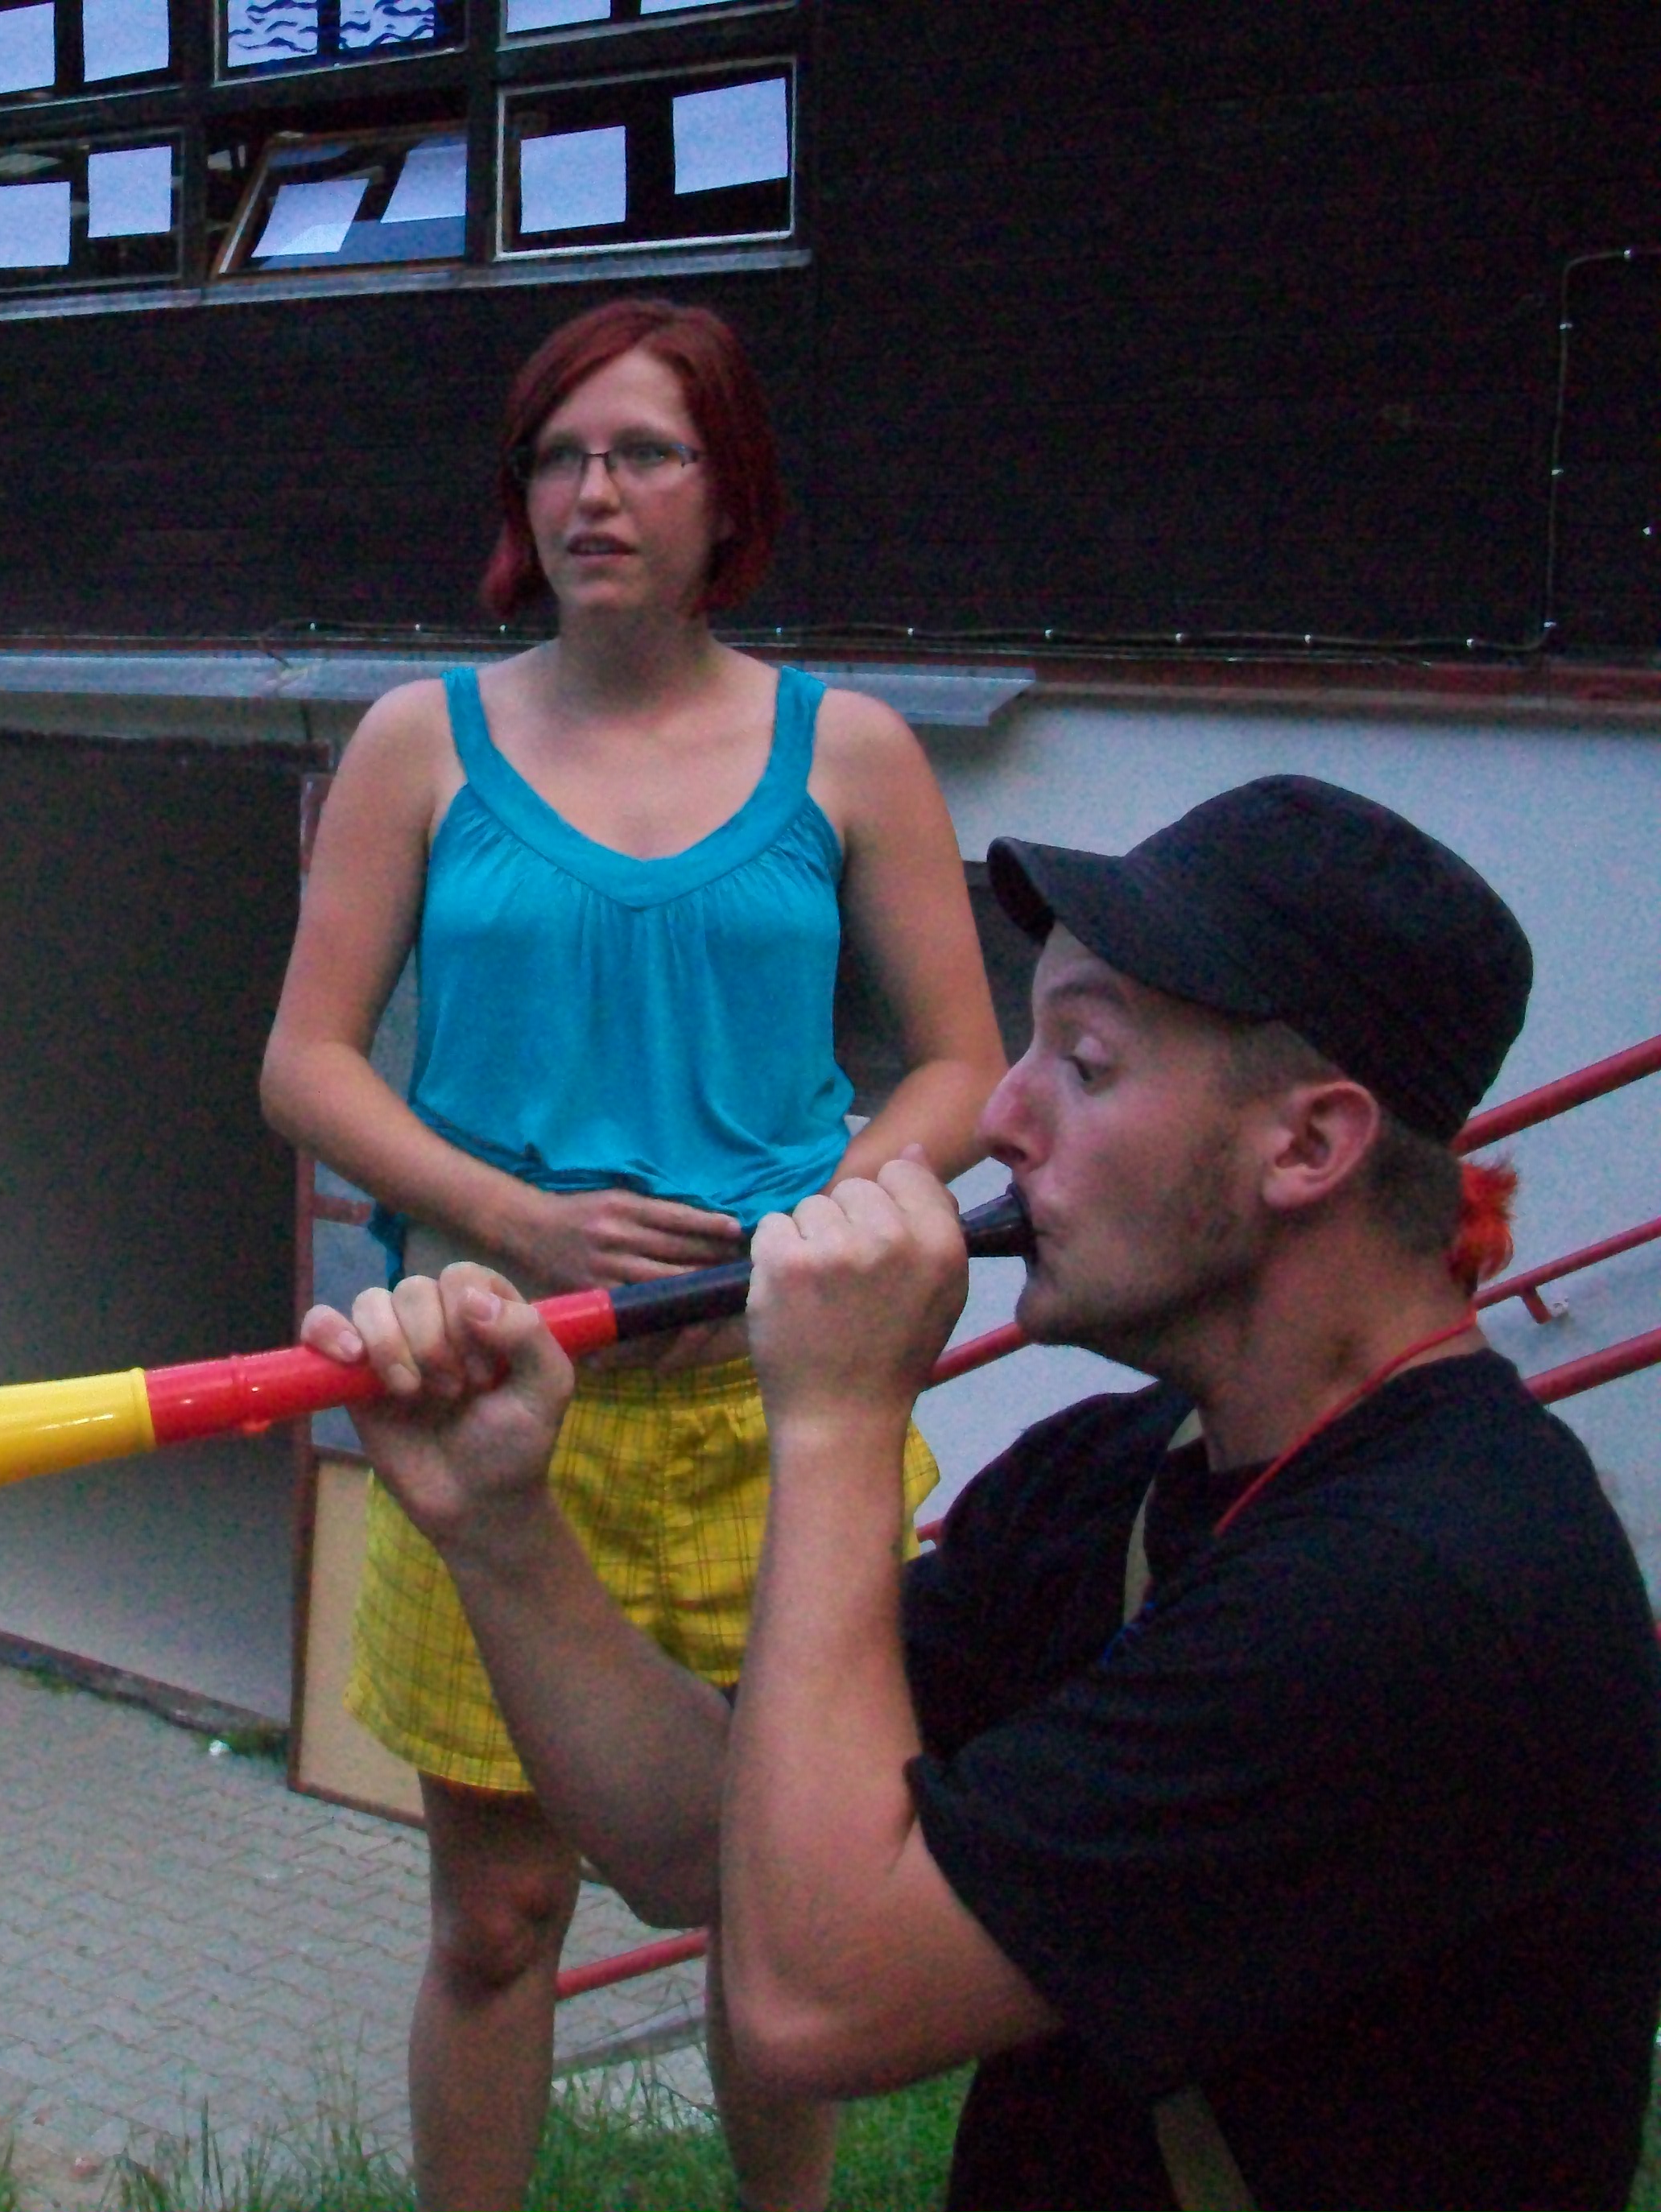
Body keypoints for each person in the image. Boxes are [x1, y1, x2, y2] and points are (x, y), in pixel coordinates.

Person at [312, 775, 1661, 2210]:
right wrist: (501, 1523)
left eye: (1084, 1063)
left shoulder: (1420, 1593)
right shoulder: (1116, 1475)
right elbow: (697, 1843)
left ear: (1308, 1146)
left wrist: (838, 1418)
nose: (1001, 1116)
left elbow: (814, 2005)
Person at [258, 298, 1003, 2212]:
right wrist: (520, 1219)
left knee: (783, 1892)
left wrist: (815, 1228)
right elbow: (305, 1064)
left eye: (644, 453)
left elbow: (961, 1064)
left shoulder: (849, 753)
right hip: (502, 1405)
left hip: (780, 1410)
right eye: (558, 456)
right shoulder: (419, 744)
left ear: (724, 491)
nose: (593, 492)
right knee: (496, 1914)